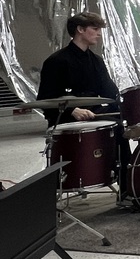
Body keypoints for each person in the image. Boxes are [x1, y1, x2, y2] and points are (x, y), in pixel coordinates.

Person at [37, 11, 129, 193]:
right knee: (117, 127)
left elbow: (110, 93)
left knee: (121, 126)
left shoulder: (96, 61)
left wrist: (126, 108)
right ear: (80, 29)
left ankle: (127, 189)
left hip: (94, 113)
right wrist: (72, 110)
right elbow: (45, 98)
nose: (99, 34)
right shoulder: (56, 61)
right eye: (95, 29)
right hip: (65, 117)